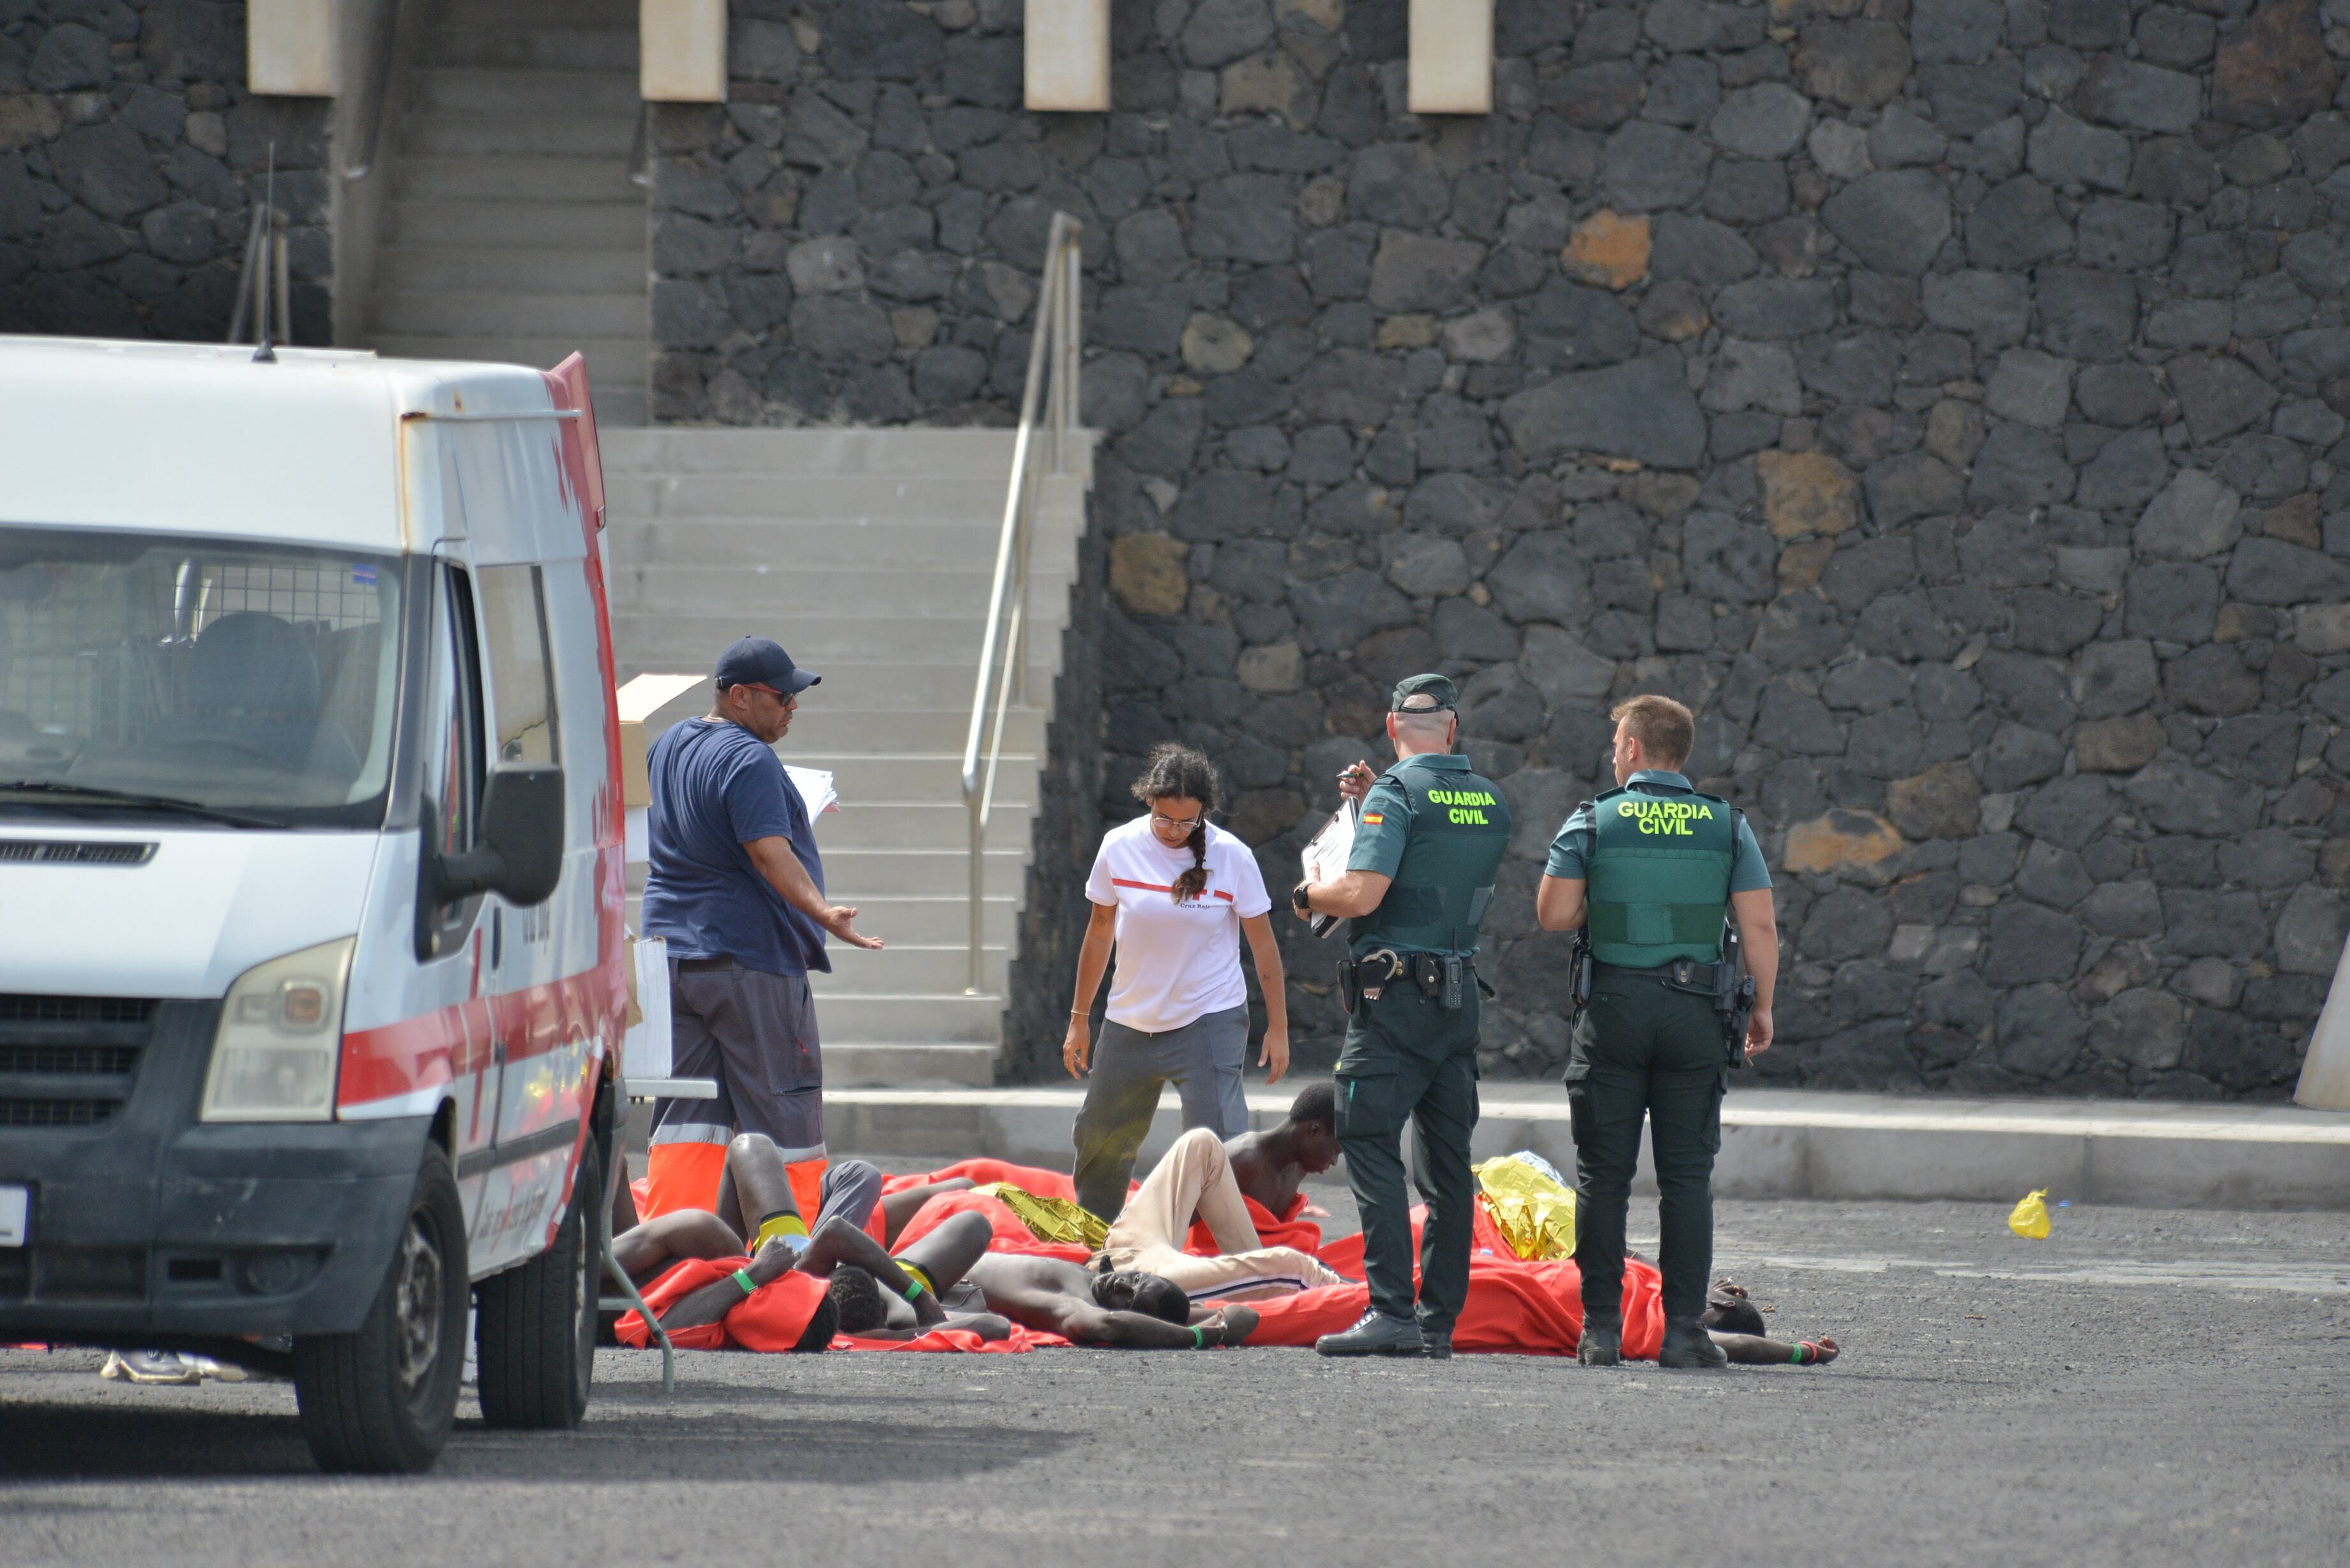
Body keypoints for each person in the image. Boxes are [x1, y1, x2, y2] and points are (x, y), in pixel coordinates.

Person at [1535, 693, 1778, 1370]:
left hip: (1612, 1011)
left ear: (1635, 748)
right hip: (1695, 1017)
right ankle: (1681, 1333)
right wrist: (1761, 1006)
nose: (1613, 752)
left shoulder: (1592, 819)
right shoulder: (1726, 826)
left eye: (1617, 741)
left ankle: (1601, 1332)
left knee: (1601, 1177)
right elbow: (1757, 925)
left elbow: (1553, 913)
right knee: (1685, 1179)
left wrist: (1605, 900)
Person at [1297, 675, 1512, 1359]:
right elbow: (1435, 858)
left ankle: (1389, 1309)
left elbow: (1360, 894)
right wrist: (1374, 802)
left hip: (1395, 1005)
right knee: (1448, 1168)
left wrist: (1307, 893)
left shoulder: (1396, 794)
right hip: (1458, 1001)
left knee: (1367, 1141)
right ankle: (1435, 1323)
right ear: (1452, 729)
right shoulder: (1489, 798)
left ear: (1392, 726)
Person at [639, 636, 883, 1224]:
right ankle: (795, 1249)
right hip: (747, 957)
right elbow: (768, 852)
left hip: (673, 956)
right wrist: (823, 914)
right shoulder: (750, 760)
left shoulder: (669, 743)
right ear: (740, 696)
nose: (792, 707)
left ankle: (675, 1244)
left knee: (689, 1113)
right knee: (783, 1112)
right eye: (782, 696)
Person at [1065, 743, 1288, 1221]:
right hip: (1131, 1017)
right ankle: (1097, 1237)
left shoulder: (1233, 857)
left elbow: (1264, 946)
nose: (1173, 831)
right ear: (1149, 800)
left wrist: (1279, 1026)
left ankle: (1225, 1249)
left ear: (1204, 813)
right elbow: (1100, 931)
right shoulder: (1119, 846)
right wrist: (1079, 1019)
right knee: (1101, 1138)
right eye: (1165, 819)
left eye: (1186, 823)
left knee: (1217, 1142)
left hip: (1209, 1017)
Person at [613, 1133, 1006, 1345]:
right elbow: (995, 1327)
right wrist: (924, 1306)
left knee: (625, 1167)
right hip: (781, 1266)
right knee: (863, 1176)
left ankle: (572, 1263)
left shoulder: (786, 1301)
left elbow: (670, 1328)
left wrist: (756, 1274)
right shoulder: (883, 1320)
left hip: (730, 1274)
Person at [1095, 1127, 1351, 1304]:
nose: (1334, 1162)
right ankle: (1354, 1294)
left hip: (1132, 1247)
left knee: (1202, 1141)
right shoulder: (1247, 1160)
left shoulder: (1292, 1170)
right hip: (1141, 1277)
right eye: (1336, 1151)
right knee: (1295, 1266)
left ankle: (1337, 1286)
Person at [962, 1253, 1261, 1349]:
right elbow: (1240, 1314)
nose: (1119, 1283)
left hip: (943, 1281)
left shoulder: (1078, 1303)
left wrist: (1194, 1336)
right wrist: (1208, 1328)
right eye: (1136, 1279)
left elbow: (1111, 1324)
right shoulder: (1097, 1283)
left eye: (1127, 1299)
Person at [1223, 1080, 1342, 1217]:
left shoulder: (1298, 1169)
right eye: (1335, 1152)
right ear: (1315, 1131)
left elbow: (1270, 1229)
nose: (1334, 1162)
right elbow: (1192, 1216)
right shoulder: (1243, 1160)